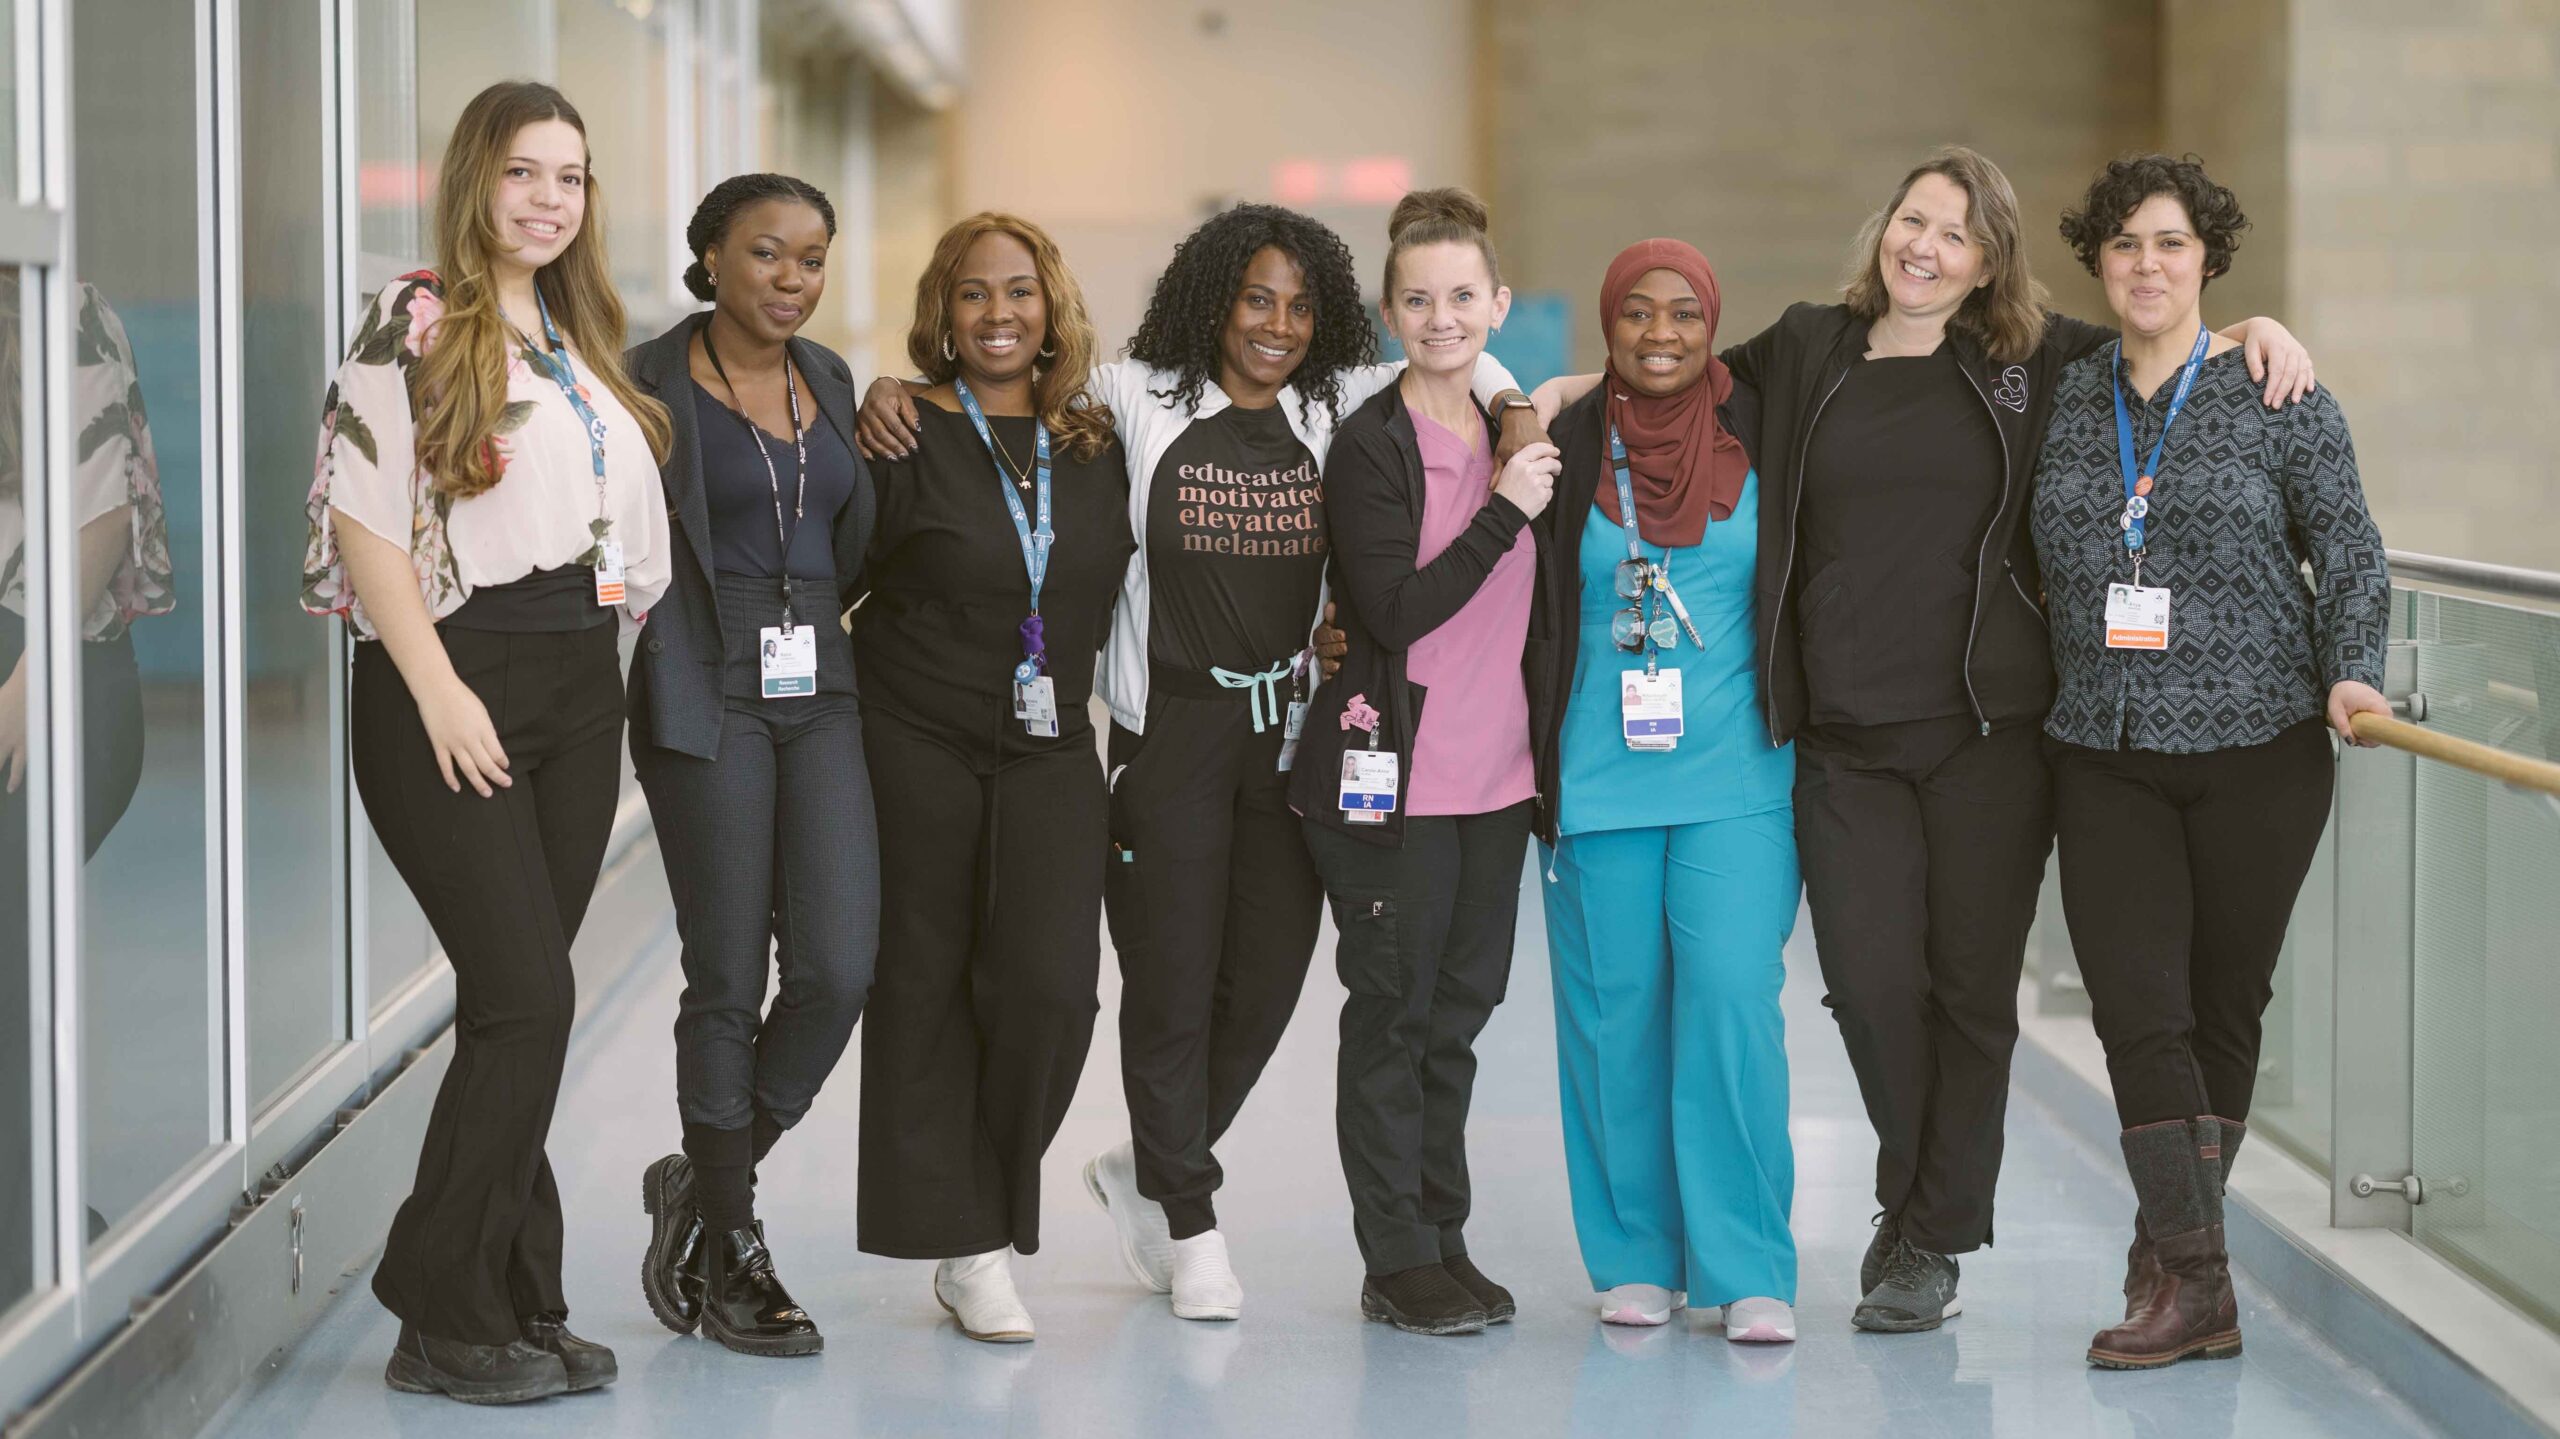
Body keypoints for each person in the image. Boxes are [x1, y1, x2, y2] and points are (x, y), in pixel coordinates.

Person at [1540, 145, 2316, 1332]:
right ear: (1883, 229)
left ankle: (1924, 1233)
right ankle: (1916, 1191)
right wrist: (1533, 393)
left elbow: (2164, 334)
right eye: (1914, 220)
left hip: (1987, 736)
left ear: (1986, 259)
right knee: (1864, 982)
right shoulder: (1806, 347)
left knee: (1968, 992)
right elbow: (1670, 370)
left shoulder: (2030, 362)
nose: (1926, 247)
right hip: (1841, 738)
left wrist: (2258, 324)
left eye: (1956, 233)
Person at [858, 203, 1541, 1324]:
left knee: (1266, 983)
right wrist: (892, 391)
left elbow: (1452, 337)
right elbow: (1003, 387)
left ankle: (1145, 1163)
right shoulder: (1138, 398)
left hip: (1288, 737)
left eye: (1298, 304)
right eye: (1254, 298)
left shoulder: (1334, 405)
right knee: (1169, 985)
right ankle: (1188, 1212)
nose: (1274, 324)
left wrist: (1512, 402)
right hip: (1166, 738)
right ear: (1212, 302)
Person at [300, 80, 668, 1403]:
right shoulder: (415, 319)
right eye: (522, 171)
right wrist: (438, 684)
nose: (547, 198)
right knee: (530, 995)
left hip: (579, 681)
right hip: (454, 678)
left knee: (521, 1002)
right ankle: (441, 1298)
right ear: (475, 181)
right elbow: (364, 517)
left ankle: (508, 1287)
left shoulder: (580, 333)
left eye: (569, 176)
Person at [2031, 153, 2387, 1369]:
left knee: (2225, 1006)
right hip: (2104, 745)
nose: (2146, 263)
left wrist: (2352, 667)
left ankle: (2172, 1267)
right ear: (2098, 257)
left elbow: (2346, 543)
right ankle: (2198, 1278)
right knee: (2139, 1006)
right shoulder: (2063, 394)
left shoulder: (2272, 389)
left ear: (2207, 260)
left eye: (2171, 243)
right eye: (2125, 241)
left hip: (2264, 741)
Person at [848, 213, 1130, 1343]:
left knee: (1053, 987)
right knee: (922, 979)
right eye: (973, 294)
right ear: (942, 312)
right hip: (912, 730)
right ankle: (969, 1243)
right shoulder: (904, 428)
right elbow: (833, 578)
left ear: (1051, 308)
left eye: (1019, 292)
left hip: (1055, 735)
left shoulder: (1098, 440)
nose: (999, 313)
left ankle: (993, 1192)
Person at [1527, 238, 1805, 1343]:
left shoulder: (1763, 434)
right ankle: (1638, 1252)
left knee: (1734, 999)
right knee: (1613, 1015)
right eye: (1635, 312)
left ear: (1712, 324)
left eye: (1683, 313)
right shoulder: (1560, 438)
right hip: (1597, 777)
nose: (1658, 333)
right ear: (1606, 324)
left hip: (1739, 775)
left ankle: (1749, 1263)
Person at [1288, 189, 1555, 1336]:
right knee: (1391, 1014)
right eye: (1417, 298)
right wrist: (1503, 510)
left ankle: (1442, 1233)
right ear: (1390, 312)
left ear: (1497, 303)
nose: (1441, 316)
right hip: (1387, 782)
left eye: (1462, 295)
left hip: (1495, 781)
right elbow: (1391, 611)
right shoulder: (1371, 447)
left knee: (1458, 1014)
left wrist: (1512, 424)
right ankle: (1393, 1256)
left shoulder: (1515, 418)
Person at [626, 173, 877, 1359]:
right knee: (725, 969)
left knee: (838, 962)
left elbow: (851, 532)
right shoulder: (645, 380)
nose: (791, 278)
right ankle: (735, 1242)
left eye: (811, 257)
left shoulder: (828, 380)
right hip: (703, 672)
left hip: (819, 677)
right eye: (767, 254)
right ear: (710, 258)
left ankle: (705, 1168)